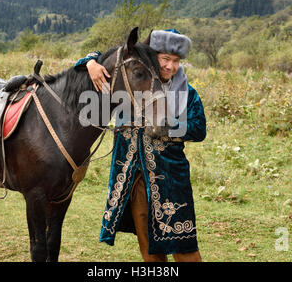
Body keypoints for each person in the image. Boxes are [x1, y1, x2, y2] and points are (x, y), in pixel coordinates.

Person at [73, 29, 206, 262]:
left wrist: (170, 127)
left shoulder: (186, 93)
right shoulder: (133, 83)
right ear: (153, 57)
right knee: (148, 248)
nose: (170, 66)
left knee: (184, 248)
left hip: (171, 181)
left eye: (176, 61)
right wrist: (90, 62)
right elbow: (114, 57)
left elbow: (199, 129)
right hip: (133, 180)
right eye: (165, 59)